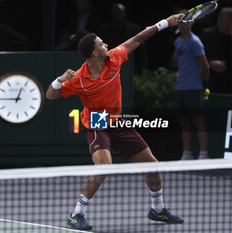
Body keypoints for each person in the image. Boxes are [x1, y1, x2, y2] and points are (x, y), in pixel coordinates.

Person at [46, 13, 185, 231]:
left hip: (116, 120)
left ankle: (157, 209)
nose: (107, 44)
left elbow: (138, 38)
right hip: (95, 121)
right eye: (102, 43)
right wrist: (59, 80)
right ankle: (76, 214)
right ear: (94, 52)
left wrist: (167, 22)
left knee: (152, 165)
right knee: (105, 167)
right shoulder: (79, 80)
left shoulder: (115, 57)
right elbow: (50, 96)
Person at [172, 10, 210, 160]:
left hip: (194, 88)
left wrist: (204, 85)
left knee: (198, 121)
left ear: (192, 23)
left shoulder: (195, 42)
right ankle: (187, 154)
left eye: (187, 21)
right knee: (184, 122)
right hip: (180, 87)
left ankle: (204, 155)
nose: (183, 25)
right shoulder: (177, 42)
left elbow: (205, 67)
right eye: (181, 21)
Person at [97, 3, 147, 73]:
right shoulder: (104, 31)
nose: (118, 16)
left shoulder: (134, 30)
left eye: (120, 13)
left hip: (131, 68)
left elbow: (141, 52)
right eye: (115, 13)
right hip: (110, 68)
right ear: (111, 14)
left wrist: (143, 69)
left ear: (124, 14)